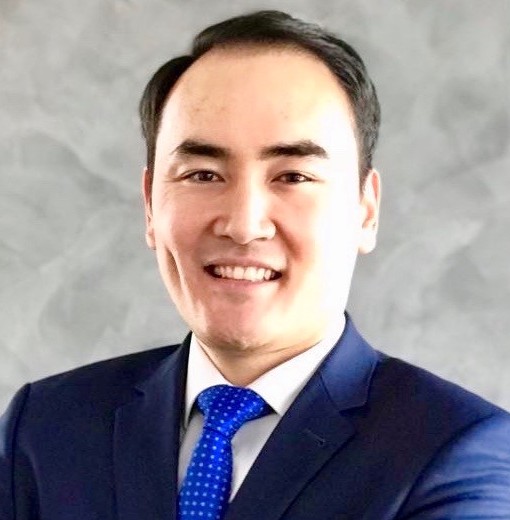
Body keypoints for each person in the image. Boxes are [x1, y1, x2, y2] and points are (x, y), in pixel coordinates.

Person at [1, 10, 509, 520]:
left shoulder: (456, 452)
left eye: (293, 176)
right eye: (202, 174)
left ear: (365, 210)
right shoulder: (45, 427)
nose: (243, 225)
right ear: (151, 206)